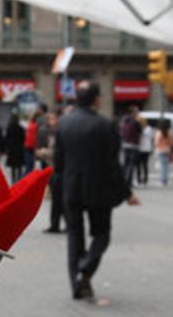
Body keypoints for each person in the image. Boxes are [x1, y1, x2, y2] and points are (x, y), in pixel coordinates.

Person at [54, 82, 139, 300]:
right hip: (98, 190)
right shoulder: (105, 125)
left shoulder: (63, 123)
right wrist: (127, 192)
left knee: (75, 237)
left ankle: (77, 283)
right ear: (96, 100)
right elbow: (113, 164)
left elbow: (59, 162)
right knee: (101, 234)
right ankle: (86, 267)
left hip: (71, 188)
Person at [38, 109, 64, 233]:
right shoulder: (44, 131)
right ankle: (55, 224)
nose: (51, 121)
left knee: (62, 199)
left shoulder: (62, 131)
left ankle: (68, 224)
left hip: (61, 169)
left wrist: (46, 152)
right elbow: (38, 150)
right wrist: (41, 152)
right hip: (50, 167)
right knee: (55, 199)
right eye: (50, 119)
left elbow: (60, 152)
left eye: (53, 119)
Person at [119, 105, 141, 187]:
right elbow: (140, 131)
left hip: (124, 145)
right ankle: (128, 182)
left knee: (125, 164)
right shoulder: (135, 121)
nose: (138, 113)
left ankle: (123, 181)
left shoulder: (123, 120)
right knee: (131, 165)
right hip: (133, 145)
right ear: (133, 112)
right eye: (137, 111)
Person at [5, 113, 26, 183]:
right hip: (19, 148)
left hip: (12, 149)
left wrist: (7, 148)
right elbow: (23, 138)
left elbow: (7, 138)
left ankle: (13, 180)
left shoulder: (9, 128)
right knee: (19, 165)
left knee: (13, 166)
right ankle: (19, 178)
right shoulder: (20, 128)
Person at [154, 121, 173, 186]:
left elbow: (156, 143)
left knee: (162, 166)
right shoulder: (170, 133)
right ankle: (165, 180)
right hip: (167, 150)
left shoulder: (159, 133)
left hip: (160, 151)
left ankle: (162, 180)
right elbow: (172, 143)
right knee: (166, 166)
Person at [136, 115, 154, 185]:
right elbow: (152, 138)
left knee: (138, 165)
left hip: (139, 148)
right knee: (145, 165)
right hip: (147, 149)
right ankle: (145, 179)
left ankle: (139, 179)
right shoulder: (149, 129)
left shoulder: (139, 129)